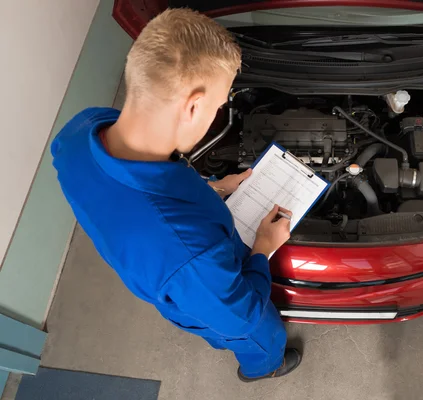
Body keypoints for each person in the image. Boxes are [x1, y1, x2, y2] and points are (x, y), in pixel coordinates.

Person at [51, 8, 301, 382]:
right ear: (194, 106)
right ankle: (263, 366)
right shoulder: (189, 252)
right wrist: (263, 248)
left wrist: (213, 186)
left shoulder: (79, 131)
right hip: (197, 292)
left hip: (158, 262)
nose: (218, 113)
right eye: (218, 106)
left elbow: (146, 180)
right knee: (261, 333)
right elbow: (242, 313)